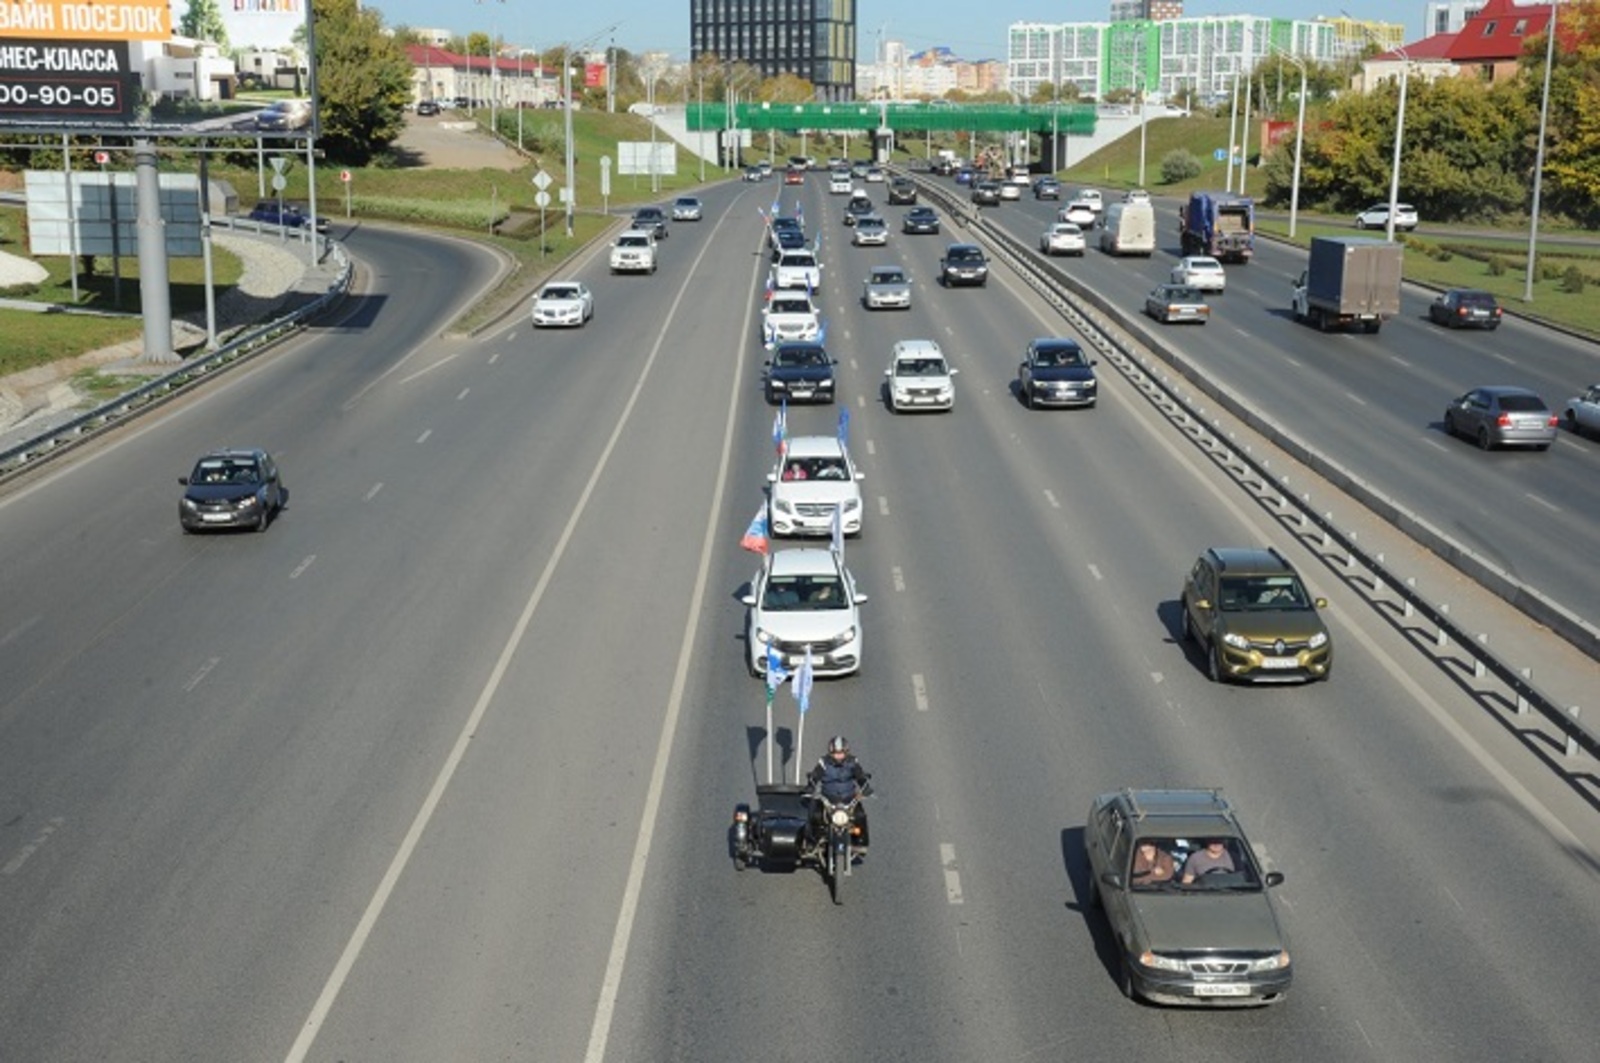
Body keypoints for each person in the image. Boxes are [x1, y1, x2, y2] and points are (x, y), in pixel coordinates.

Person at [806, 735, 872, 848]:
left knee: (860, 815)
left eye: (841, 753)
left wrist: (865, 787)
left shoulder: (853, 762)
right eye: (836, 753)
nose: (838, 756)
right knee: (815, 816)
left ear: (846, 752)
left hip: (849, 799)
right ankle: (814, 842)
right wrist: (810, 787)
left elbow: (860, 776)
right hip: (828, 799)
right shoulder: (824, 763)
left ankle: (860, 841)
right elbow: (815, 776)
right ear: (831, 753)